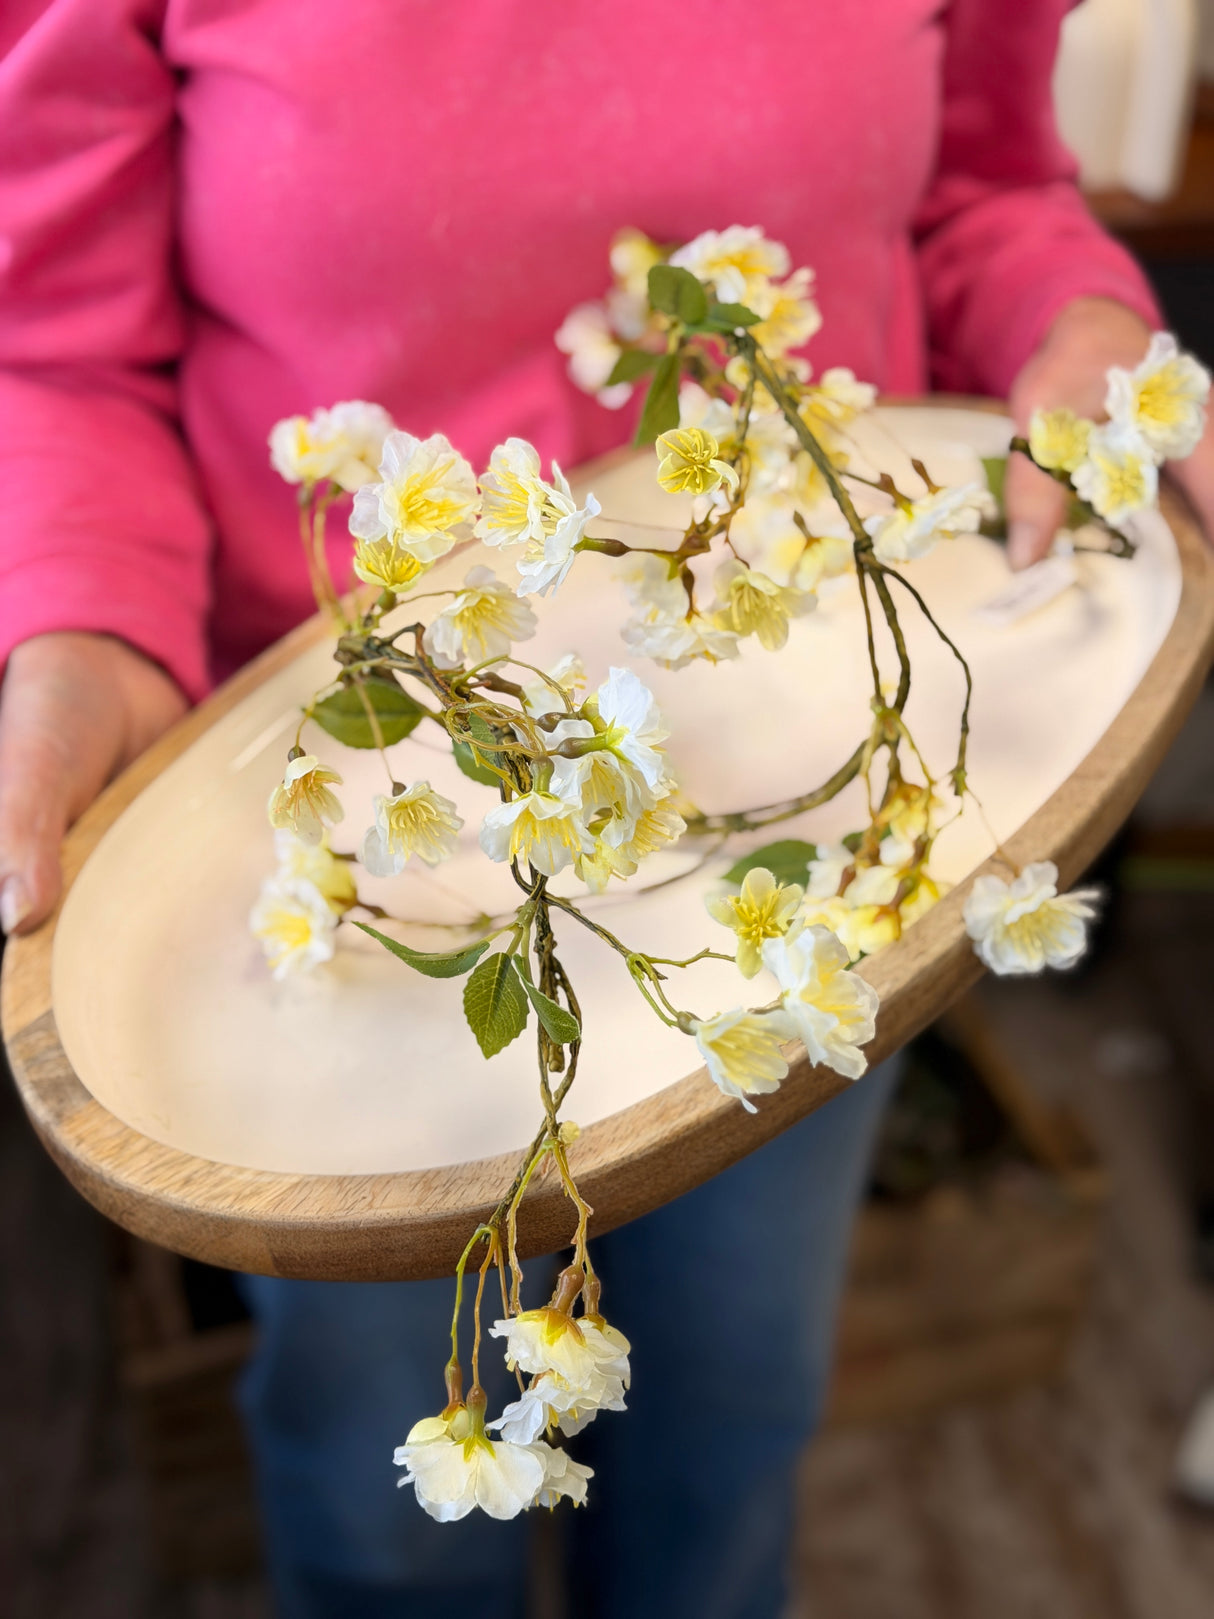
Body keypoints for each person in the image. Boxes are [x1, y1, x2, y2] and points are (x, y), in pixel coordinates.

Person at [0, 3, 1210, 1615]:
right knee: (390, 1508)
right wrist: (84, 617)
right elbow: (57, 337)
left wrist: (1075, 325)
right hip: (360, 875)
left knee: (733, 1417)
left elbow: (980, 193)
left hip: (824, 820)